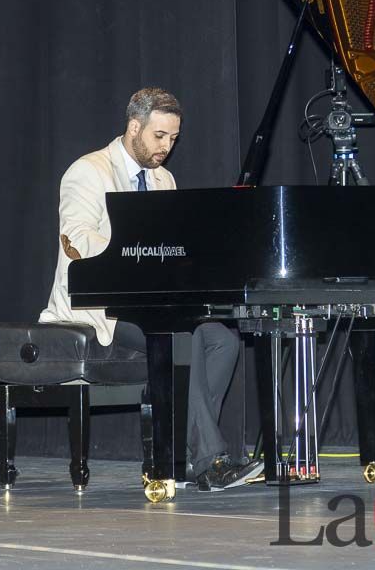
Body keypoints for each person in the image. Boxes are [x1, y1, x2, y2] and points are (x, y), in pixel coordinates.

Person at [40, 87, 260, 491]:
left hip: (149, 303)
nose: (167, 147)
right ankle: (209, 460)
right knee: (181, 336)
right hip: (98, 306)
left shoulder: (164, 178)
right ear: (134, 127)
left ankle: (185, 453)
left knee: (223, 341)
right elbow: (76, 238)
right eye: (159, 136)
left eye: (174, 138)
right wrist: (131, 252)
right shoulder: (88, 171)